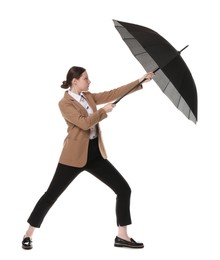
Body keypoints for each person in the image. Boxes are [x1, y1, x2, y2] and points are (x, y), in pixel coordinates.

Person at [22, 66, 154, 250]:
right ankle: (28, 234)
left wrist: (139, 81)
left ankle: (122, 236)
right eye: (86, 78)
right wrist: (103, 112)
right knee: (51, 195)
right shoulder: (64, 103)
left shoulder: (88, 96)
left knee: (123, 189)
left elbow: (112, 93)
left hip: (95, 154)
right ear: (74, 81)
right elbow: (84, 123)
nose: (89, 81)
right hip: (73, 156)